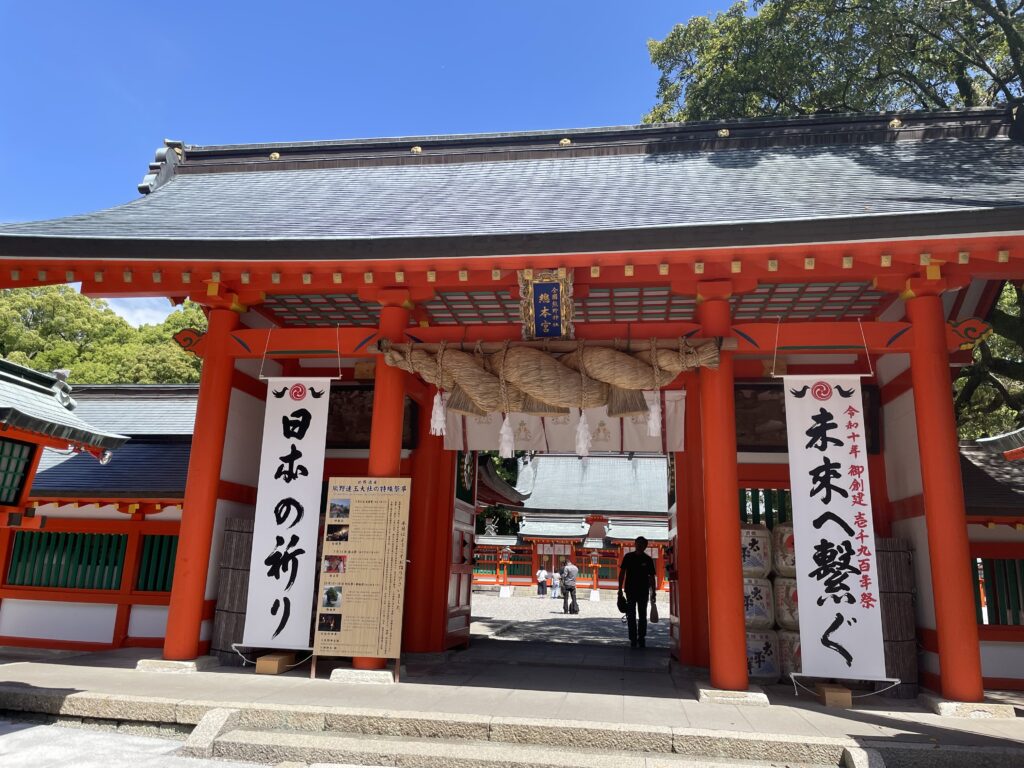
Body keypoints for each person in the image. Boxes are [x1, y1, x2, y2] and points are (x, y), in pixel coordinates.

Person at [618, 536, 656, 648]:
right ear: (635, 544)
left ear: (645, 546)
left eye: (642, 544)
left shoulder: (648, 559)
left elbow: (652, 577)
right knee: (631, 615)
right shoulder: (628, 557)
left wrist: (653, 591)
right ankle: (633, 638)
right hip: (630, 590)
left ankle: (642, 637)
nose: (639, 546)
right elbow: (622, 573)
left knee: (642, 615)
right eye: (638, 543)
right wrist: (620, 589)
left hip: (643, 591)